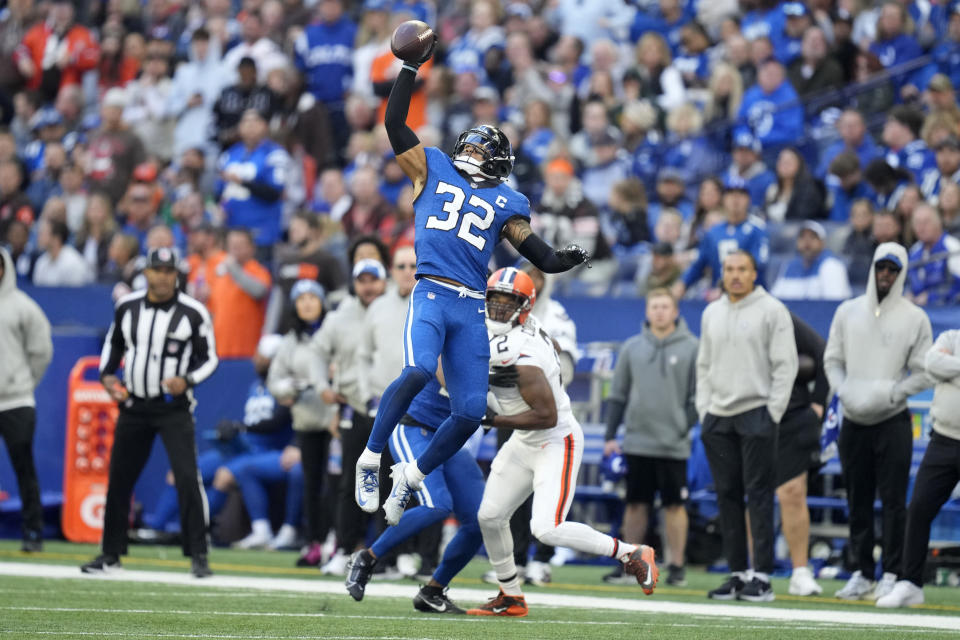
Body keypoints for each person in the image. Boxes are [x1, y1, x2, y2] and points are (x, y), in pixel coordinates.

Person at [354, 34, 588, 525]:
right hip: (433, 290)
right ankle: (371, 457)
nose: (480, 152)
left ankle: (412, 477)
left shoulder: (508, 201)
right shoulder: (432, 166)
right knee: (418, 371)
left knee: (466, 412)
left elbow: (536, 253)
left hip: (470, 305)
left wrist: (563, 259)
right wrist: (410, 68)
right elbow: (394, 122)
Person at [468, 268, 659, 617]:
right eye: (493, 299)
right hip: (524, 440)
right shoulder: (505, 333)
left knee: (546, 528)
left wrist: (494, 419)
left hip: (556, 440)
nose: (497, 308)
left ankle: (630, 553)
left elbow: (547, 416)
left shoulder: (524, 355)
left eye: (506, 301)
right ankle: (510, 595)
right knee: (490, 515)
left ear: (524, 307)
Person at [82, 247, 218, 578]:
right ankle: (110, 553)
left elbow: (210, 358)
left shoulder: (193, 312)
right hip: (135, 405)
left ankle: (198, 554)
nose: (161, 276)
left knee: (187, 477)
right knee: (119, 478)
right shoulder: (127, 307)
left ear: (177, 274)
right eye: (156, 270)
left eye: (167, 271)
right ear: (145, 273)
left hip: (174, 408)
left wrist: (186, 380)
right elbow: (113, 346)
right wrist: (108, 376)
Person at [824, 244, 933, 601]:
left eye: (893, 269)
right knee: (857, 499)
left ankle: (892, 572)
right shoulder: (847, 311)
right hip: (854, 419)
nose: (885, 275)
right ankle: (861, 571)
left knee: (893, 501)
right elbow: (832, 360)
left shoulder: (914, 317)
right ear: (872, 268)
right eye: (881, 268)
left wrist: (893, 393)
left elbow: (924, 370)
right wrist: (844, 391)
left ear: (901, 273)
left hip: (892, 420)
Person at [697, 250, 798, 602]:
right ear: (722, 274)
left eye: (742, 269)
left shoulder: (772, 310)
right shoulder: (712, 312)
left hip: (758, 411)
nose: (735, 275)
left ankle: (764, 577)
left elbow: (786, 365)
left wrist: (773, 412)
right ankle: (738, 574)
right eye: (729, 269)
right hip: (718, 417)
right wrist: (703, 410)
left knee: (758, 496)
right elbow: (704, 365)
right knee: (726, 496)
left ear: (755, 273)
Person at [603, 288, 698, 587]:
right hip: (637, 441)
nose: (659, 311)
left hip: (674, 443)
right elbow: (617, 396)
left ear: (675, 311)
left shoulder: (693, 348)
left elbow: (700, 396)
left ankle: (677, 566)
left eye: (664, 306)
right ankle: (632, 565)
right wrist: (609, 436)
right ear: (647, 311)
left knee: (674, 506)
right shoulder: (631, 347)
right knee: (635, 504)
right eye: (654, 306)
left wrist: (683, 424)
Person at [312, 259, 388, 575]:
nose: (368, 286)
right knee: (350, 482)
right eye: (362, 280)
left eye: (373, 280)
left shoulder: (394, 310)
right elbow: (316, 351)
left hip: (390, 409)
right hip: (355, 407)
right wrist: (321, 387)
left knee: (389, 483)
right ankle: (345, 547)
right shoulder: (340, 317)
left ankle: (385, 554)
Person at [877, 329, 960, 607]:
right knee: (920, 508)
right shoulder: (951, 337)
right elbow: (932, 363)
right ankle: (910, 582)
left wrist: (951, 370)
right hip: (943, 439)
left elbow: (942, 368)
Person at [267, 280, 337, 566]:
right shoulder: (290, 341)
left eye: (313, 297)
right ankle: (314, 542)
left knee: (337, 485)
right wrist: (289, 389)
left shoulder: (334, 331)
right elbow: (274, 380)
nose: (307, 303)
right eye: (301, 298)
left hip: (335, 421)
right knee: (311, 484)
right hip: (307, 420)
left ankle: (337, 542)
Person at [0, 246, 53, 552]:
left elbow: (41, 350)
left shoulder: (23, 306)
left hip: (16, 401)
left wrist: (24, 383)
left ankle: (33, 531)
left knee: (24, 468)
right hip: (15, 397)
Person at [775, 313, 829, 597]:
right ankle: (748, 571)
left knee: (793, 491)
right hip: (747, 413)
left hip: (792, 414)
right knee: (750, 495)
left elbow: (824, 353)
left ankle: (800, 571)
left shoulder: (781, 317)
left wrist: (818, 403)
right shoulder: (720, 317)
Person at [672, 176, 769, 300]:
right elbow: (698, 265)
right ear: (723, 199)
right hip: (720, 301)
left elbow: (758, 266)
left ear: (748, 199)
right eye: (730, 194)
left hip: (752, 298)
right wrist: (681, 285)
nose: (735, 199)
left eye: (741, 194)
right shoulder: (713, 232)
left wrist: (726, 288)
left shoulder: (757, 230)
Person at [216, 108, 290, 260]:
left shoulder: (275, 154)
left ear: (264, 126)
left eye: (254, 121)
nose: (250, 126)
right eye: (245, 121)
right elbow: (219, 192)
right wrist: (220, 207)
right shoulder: (229, 154)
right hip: (232, 232)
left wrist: (242, 182)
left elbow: (274, 194)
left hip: (261, 233)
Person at [206, 228, 272, 359]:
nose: (235, 249)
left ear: (252, 248)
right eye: (232, 245)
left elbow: (259, 291)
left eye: (240, 245)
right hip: (220, 350)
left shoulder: (258, 271)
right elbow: (212, 311)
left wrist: (233, 268)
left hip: (248, 351)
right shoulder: (220, 275)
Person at [770, 221, 852, 300]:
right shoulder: (789, 266)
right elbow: (774, 299)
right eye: (802, 237)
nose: (807, 242)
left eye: (812, 237)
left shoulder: (831, 266)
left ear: (822, 243)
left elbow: (833, 304)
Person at [907, 203, 960, 306]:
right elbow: (908, 282)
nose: (921, 227)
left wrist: (932, 296)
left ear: (938, 222)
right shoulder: (914, 251)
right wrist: (908, 293)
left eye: (926, 222)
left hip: (946, 314)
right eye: (917, 223)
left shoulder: (953, 248)